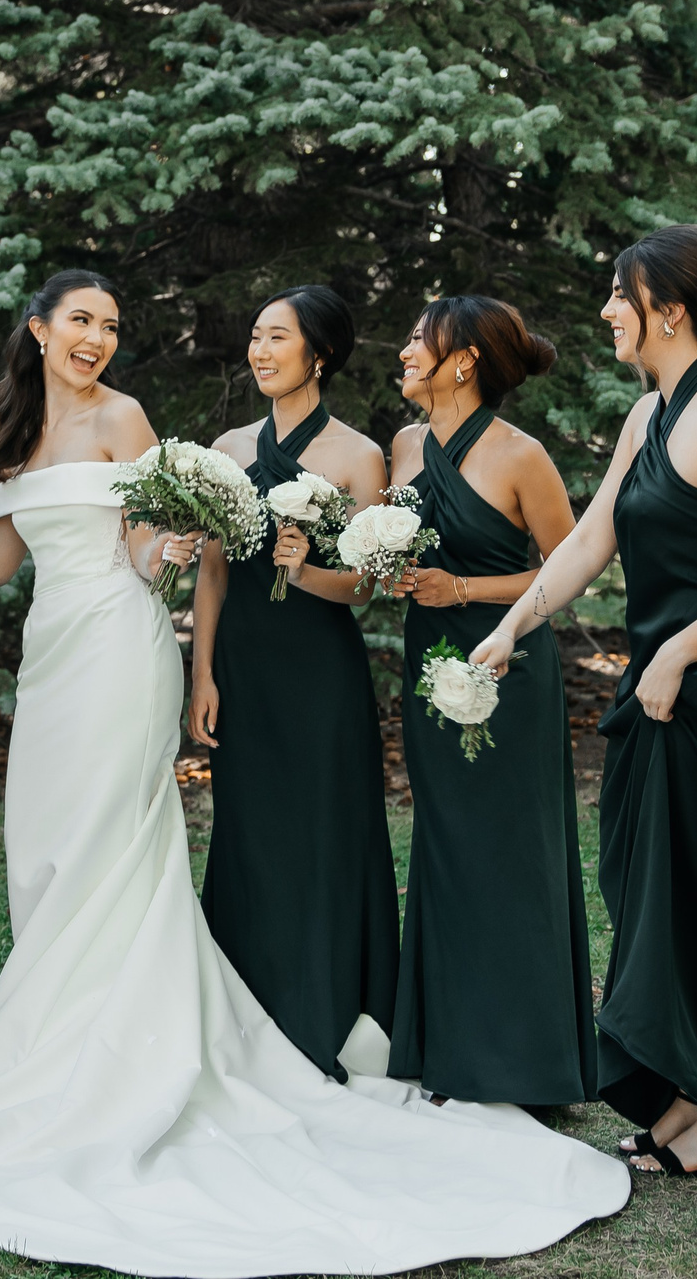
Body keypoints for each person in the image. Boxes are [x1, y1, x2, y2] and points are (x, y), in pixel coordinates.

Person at [0, 271, 630, 1278]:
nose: (97, 339)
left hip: (119, 647)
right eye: (79, 322)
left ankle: (120, 1059)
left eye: (111, 324)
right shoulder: (9, 427)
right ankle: (50, 1044)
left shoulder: (127, 417)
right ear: (38, 329)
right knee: (45, 850)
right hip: (52, 657)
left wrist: (171, 547)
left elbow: (158, 545)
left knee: (115, 844)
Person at [472, 229, 697, 1176]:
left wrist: (680, 652)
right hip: (656, 695)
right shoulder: (648, 416)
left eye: (621, 294)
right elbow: (589, 540)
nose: (608, 309)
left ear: (670, 310)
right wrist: (512, 624)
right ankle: (674, 1102)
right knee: (643, 894)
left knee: (691, 900)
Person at [186, 284, 398, 1081]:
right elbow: (211, 566)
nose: (260, 350)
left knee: (323, 831)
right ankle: (247, 1007)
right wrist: (202, 671)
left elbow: (365, 586)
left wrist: (307, 569)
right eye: (255, 334)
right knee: (248, 830)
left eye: (278, 336)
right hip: (243, 663)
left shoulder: (356, 455)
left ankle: (326, 1007)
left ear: (321, 352)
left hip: (319, 671)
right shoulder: (229, 447)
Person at [386, 295, 593, 1109]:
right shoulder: (404, 444)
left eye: (416, 339)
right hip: (427, 661)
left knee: (512, 853)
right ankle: (452, 1050)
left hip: (506, 665)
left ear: (463, 359)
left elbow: (569, 568)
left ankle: (527, 1062)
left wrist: (462, 587)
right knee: (445, 846)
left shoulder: (520, 455)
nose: (404, 352)